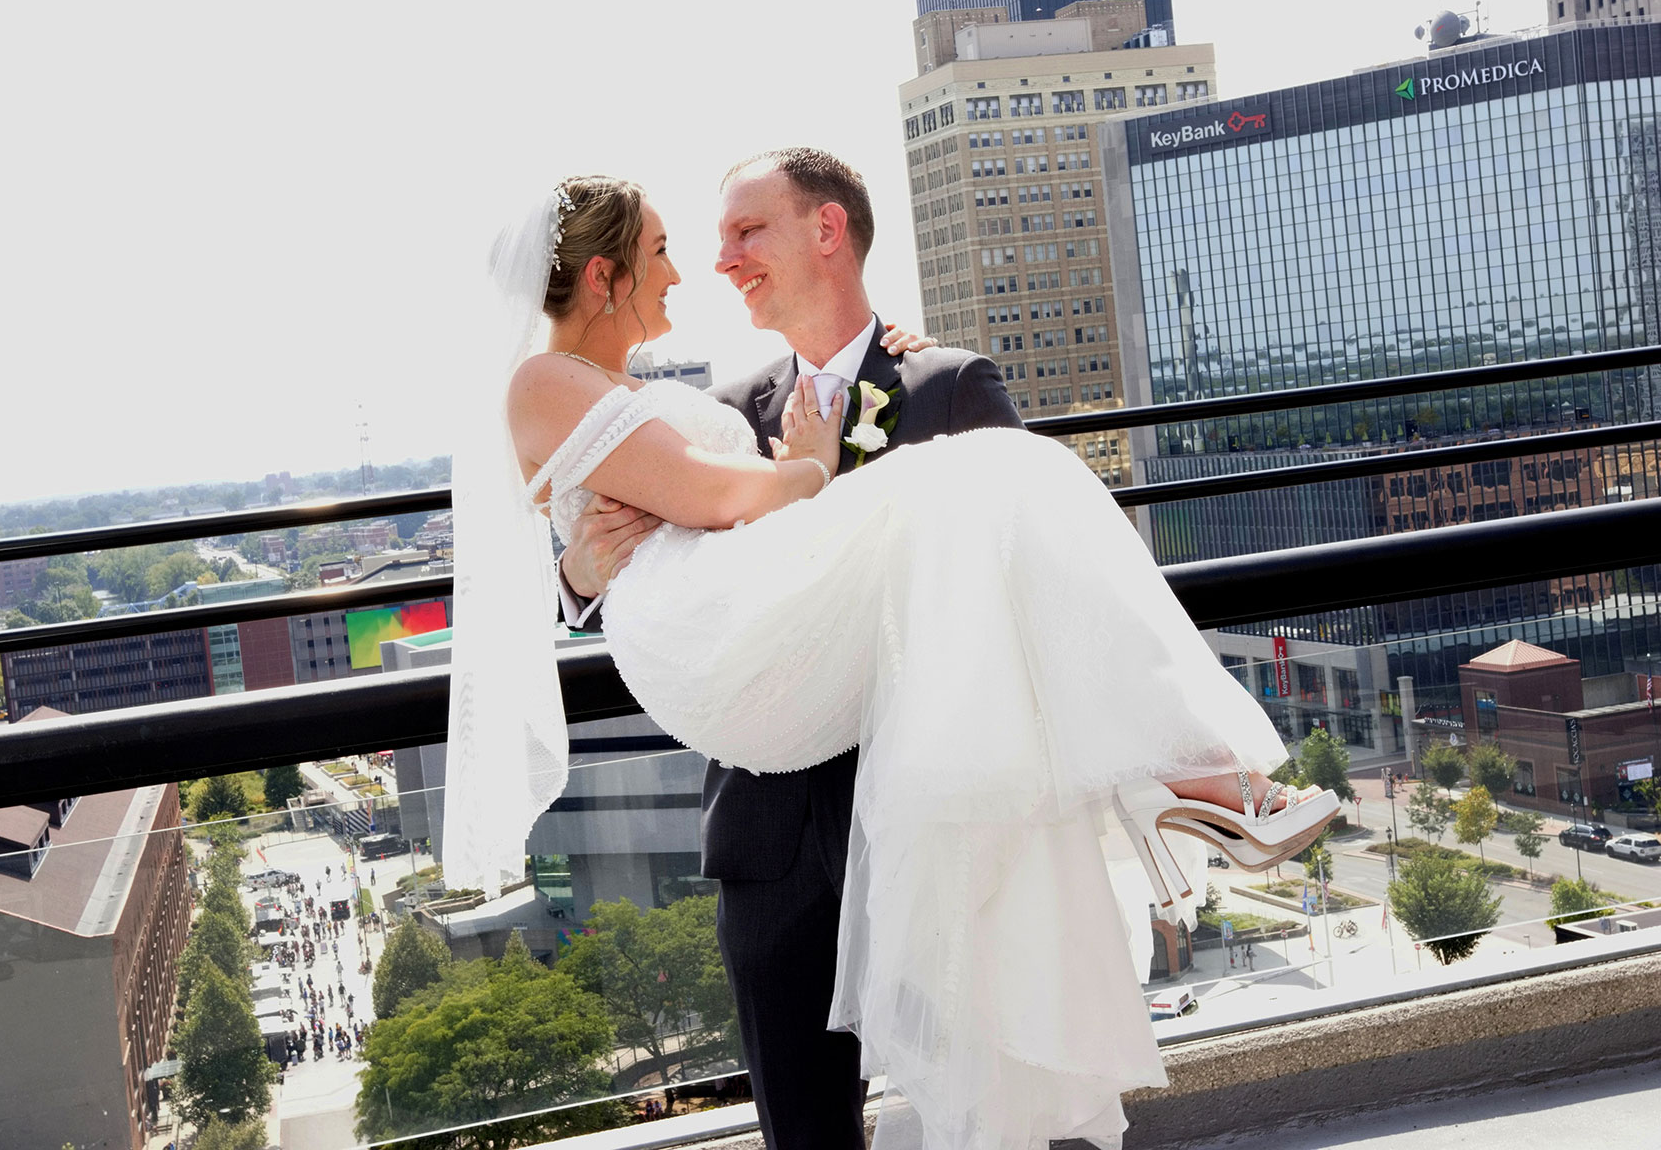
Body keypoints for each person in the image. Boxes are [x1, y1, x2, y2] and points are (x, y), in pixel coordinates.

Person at [446, 159, 1338, 1150]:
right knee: (806, 1129)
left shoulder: (942, 381)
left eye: (746, 232)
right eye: (679, 246)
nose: (713, 262)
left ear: (826, 230)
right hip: (771, 818)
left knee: (1011, 477)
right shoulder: (717, 399)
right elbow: (642, 523)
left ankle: (1184, 776)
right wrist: (592, 565)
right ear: (605, 275)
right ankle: (1191, 781)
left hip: (932, 805)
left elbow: (1038, 597)